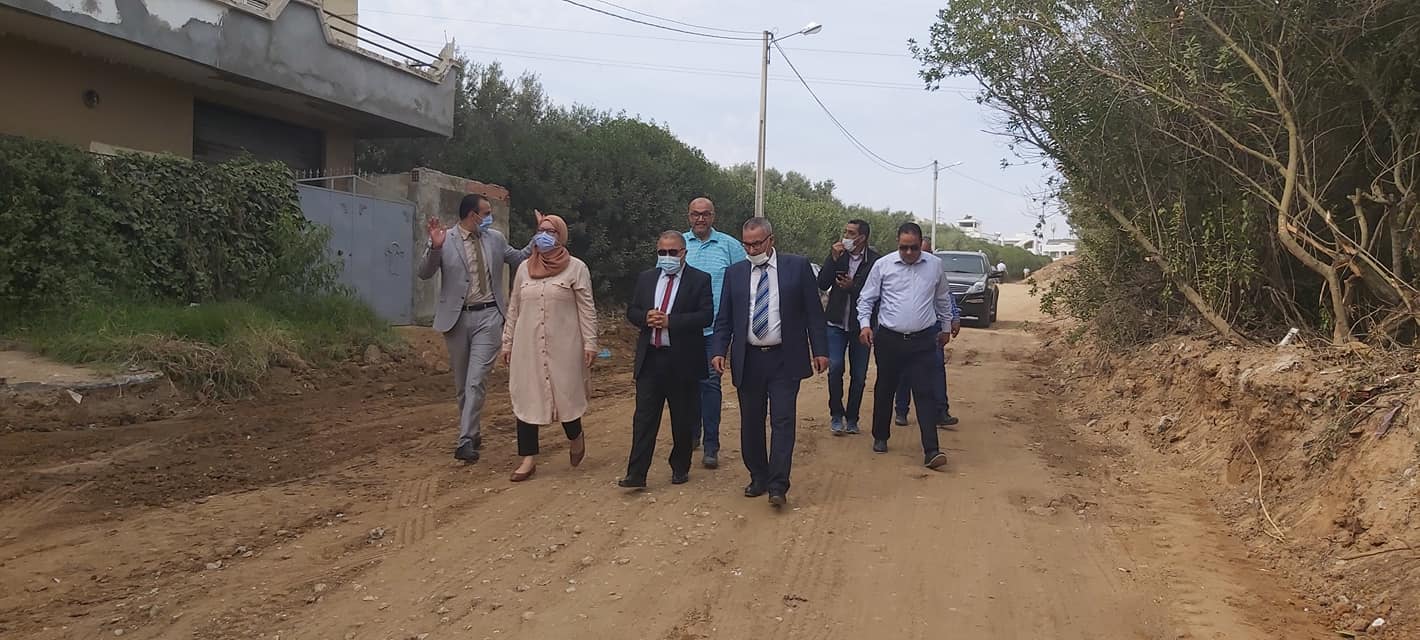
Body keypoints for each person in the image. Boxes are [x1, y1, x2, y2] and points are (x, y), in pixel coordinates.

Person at [711, 218, 828, 507]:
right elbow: (724, 317)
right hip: (749, 358)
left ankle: (778, 484)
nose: (752, 250)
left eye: (757, 244)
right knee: (751, 422)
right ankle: (758, 476)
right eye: (746, 245)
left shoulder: (797, 267)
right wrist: (718, 350)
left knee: (783, 420)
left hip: (784, 358)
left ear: (771, 240)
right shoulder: (735, 273)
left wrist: (820, 349)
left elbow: (813, 312)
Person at [418, 194, 534, 464]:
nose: (489, 217)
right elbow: (424, 272)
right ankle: (472, 430)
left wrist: (539, 237)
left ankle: (465, 440)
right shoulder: (445, 239)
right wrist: (434, 247)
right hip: (457, 319)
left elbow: (519, 258)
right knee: (462, 384)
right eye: (486, 212)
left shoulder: (495, 239)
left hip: (489, 316)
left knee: (476, 379)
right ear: (473, 215)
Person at [500, 214, 598, 482]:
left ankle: (575, 436)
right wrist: (507, 342)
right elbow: (514, 307)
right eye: (541, 230)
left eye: (551, 232)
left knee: (565, 394)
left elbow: (586, 308)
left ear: (561, 236)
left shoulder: (576, 268)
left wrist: (590, 342)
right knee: (527, 395)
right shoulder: (524, 269)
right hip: (527, 344)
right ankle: (528, 458)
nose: (544, 236)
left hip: (564, 344)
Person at [857, 222, 959, 469]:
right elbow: (866, 298)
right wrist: (864, 325)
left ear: (921, 245)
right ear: (898, 244)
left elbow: (942, 298)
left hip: (923, 340)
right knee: (885, 388)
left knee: (924, 392)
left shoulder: (934, 266)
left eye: (914, 247)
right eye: (904, 248)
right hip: (889, 339)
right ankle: (880, 435)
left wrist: (946, 328)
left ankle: (931, 450)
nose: (909, 252)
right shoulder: (883, 265)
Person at [619, 231, 715, 489]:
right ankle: (636, 473)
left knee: (682, 418)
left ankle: (680, 466)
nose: (667, 257)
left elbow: (706, 316)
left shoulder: (699, 280)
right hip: (651, 358)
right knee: (644, 418)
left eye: (673, 252)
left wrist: (671, 321)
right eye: (662, 252)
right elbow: (632, 310)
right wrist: (645, 318)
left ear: (684, 253)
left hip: (682, 359)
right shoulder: (647, 278)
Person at [682, 197, 747, 469]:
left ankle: (711, 445)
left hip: (715, 332)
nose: (700, 219)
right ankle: (690, 435)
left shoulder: (729, 246)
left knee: (710, 386)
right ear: (688, 216)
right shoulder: (678, 244)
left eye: (705, 214)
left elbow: (744, 282)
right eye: (695, 214)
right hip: (683, 330)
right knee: (686, 386)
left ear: (713, 216)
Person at [817, 219, 879, 436]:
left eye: (851, 233)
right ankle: (836, 414)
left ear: (862, 238)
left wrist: (854, 287)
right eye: (845, 232)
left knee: (859, 375)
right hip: (835, 322)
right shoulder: (839, 255)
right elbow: (822, 283)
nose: (846, 237)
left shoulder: (875, 262)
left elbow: (876, 293)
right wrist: (832, 259)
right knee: (835, 368)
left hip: (861, 326)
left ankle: (852, 417)